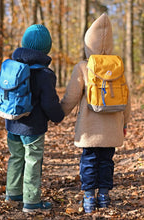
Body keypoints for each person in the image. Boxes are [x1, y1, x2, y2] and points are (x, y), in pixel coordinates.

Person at [60, 13, 131, 213]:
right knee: (107, 160)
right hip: (113, 125)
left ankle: (89, 198)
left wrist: (59, 114)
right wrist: (124, 123)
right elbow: (127, 99)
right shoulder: (118, 67)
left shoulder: (83, 67)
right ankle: (104, 196)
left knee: (89, 160)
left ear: (87, 43)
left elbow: (71, 97)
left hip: (89, 129)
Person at [5, 24, 64, 212]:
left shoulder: (11, 67)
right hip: (33, 128)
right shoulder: (44, 73)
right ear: (47, 48)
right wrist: (58, 116)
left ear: (24, 43)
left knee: (16, 157)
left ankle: (13, 193)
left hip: (12, 123)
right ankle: (31, 201)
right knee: (32, 161)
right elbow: (49, 103)